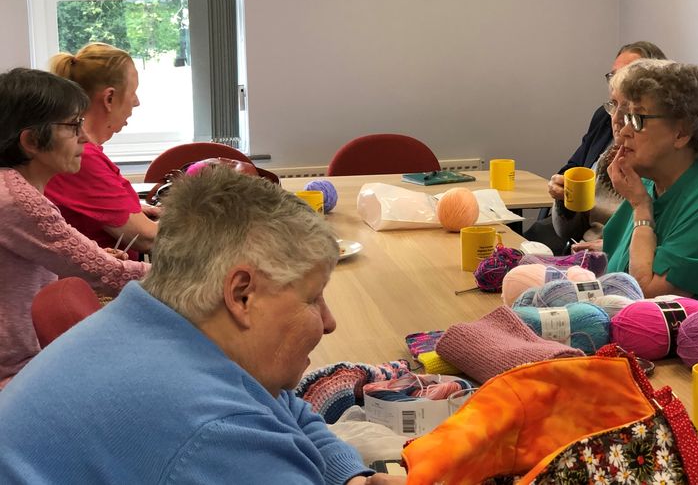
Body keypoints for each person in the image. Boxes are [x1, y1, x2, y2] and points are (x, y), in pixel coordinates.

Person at [0, 167, 403, 484]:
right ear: (242, 294)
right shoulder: (217, 431)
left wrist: (347, 476)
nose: (329, 322)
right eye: (313, 297)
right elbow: (237, 427)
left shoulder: (156, 320)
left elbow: (284, 406)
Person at [0, 68, 149, 388]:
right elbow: (110, 275)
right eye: (73, 126)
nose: (84, 137)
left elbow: (60, 251)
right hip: (17, 373)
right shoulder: (15, 201)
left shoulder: (14, 188)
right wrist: (197, 276)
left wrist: (96, 255)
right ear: (30, 141)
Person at [525, 41, 667, 253]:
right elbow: (573, 169)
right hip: (579, 245)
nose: (617, 119)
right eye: (614, 76)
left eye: (629, 75)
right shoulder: (605, 127)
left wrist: (616, 247)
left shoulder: (660, 163)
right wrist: (565, 196)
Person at [602, 61, 698, 306]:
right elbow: (616, 265)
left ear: (681, 132)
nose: (623, 132)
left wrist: (641, 209)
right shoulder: (648, 180)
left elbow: (646, 295)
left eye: (637, 120)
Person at [44, 42, 158, 260]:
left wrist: (133, 210)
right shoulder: (83, 158)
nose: (137, 102)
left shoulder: (86, 153)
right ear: (109, 98)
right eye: (133, 93)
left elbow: (91, 211)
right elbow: (147, 237)